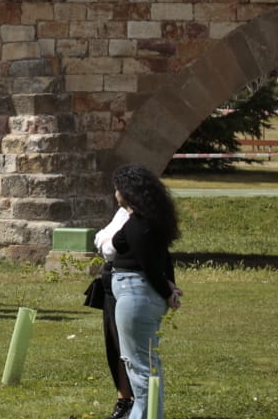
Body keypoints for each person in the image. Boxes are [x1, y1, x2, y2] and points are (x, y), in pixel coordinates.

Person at [110, 163, 183, 419]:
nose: (115, 193)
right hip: (141, 295)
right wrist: (169, 286)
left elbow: (149, 265)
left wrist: (166, 290)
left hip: (135, 294)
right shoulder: (147, 221)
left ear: (127, 191)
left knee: (139, 367)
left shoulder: (139, 224)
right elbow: (162, 258)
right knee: (146, 364)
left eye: (117, 188)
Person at [94, 205, 136, 419]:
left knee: (128, 345)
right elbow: (100, 238)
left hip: (129, 283)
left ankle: (135, 402)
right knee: (114, 344)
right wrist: (104, 241)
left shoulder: (139, 216)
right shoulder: (122, 213)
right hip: (111, 281)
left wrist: (104, 241)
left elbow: (109, 247)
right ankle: (124, 399)